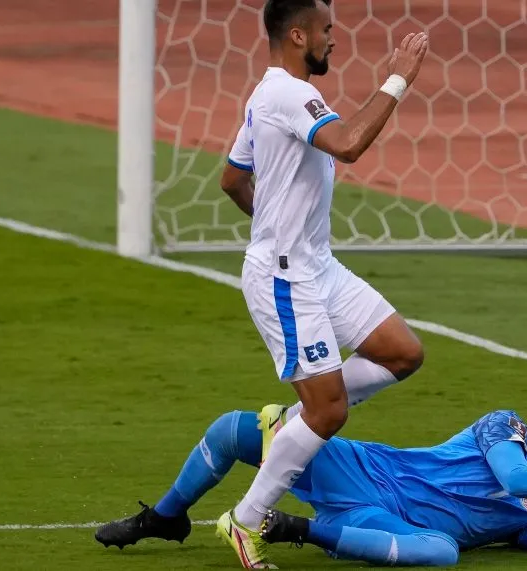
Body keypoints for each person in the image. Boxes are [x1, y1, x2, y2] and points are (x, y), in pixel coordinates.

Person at [214, 0, 429, 565]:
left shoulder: (268, 96)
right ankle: (245, 521)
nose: (334, 39)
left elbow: (234, 178)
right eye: (327, 30)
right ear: (296, 35)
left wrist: (272, 223)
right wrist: (400, 76)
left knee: (401, 353)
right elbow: (350, 145)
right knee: (330, 413)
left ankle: (292, 423)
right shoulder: (287, 93)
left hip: (317, 265)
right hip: (286, 278)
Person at [95, 404, 527, 567]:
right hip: (362, 468)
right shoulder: (502, 428)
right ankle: (166, 517)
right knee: (232, 430)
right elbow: (513, 475)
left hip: (388, 525)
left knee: (442, 552)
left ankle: (292, 529)